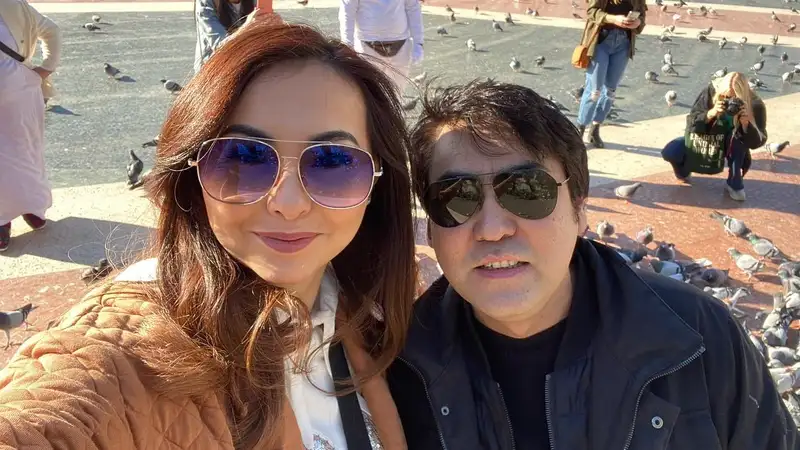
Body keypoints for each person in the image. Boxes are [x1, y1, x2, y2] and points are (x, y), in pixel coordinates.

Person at [0, 21, 424, 449]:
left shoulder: (371, 313)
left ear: (377, 183)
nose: (288, 203)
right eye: (244, 158)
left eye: (333, 162)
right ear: (191, 176)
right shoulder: (124, 354)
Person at [387, 79, 797, 449]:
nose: (492, 230)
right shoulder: (394, 368)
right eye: (456, 197)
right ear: (430, 229)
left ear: (579, 210)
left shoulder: (700, 338)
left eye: (528, 191)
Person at [0, 0, 61, 252]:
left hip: (20, 92)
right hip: (21, 90)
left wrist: (47, 68)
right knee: (25, 151)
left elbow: (51, 30)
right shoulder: (13, 4)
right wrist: (47, 67)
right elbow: (52, 30)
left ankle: (23, 210)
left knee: (23, 152)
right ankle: (27, 211)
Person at [661, 72, 767, 202]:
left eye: (734, 99)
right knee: (671, 151)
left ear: (742, 96)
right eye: (724, 97)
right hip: (705, 140)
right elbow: (691, 124)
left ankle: (734, 183)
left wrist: (746, 124)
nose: (729, 102)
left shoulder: (754, 104)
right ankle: (683, 171)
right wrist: (710, 114)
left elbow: (757, 142)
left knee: (737, 142)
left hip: (730, 146)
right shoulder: (710, 92)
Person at [576, 0, 646, 148]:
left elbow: (642, 17)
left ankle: (594, 130)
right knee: (594, 91)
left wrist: (638, 22)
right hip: (601, 41)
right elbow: (591, 12)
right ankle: (579, 131)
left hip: (624, 43)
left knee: (610, 91)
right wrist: (613, 19)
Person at [339, 0, 423, 93]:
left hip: (401, 47)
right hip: (367, 48)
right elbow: (347, 13)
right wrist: (348, 46)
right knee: (371, 93)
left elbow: (413, 8)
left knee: (398, 93)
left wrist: (418, 43)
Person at [194, 0, 255, 72]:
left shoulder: (256, 2)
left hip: (244, 64)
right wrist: (246, 26)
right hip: (213, 68)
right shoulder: (207, 3)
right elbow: (220, 44)